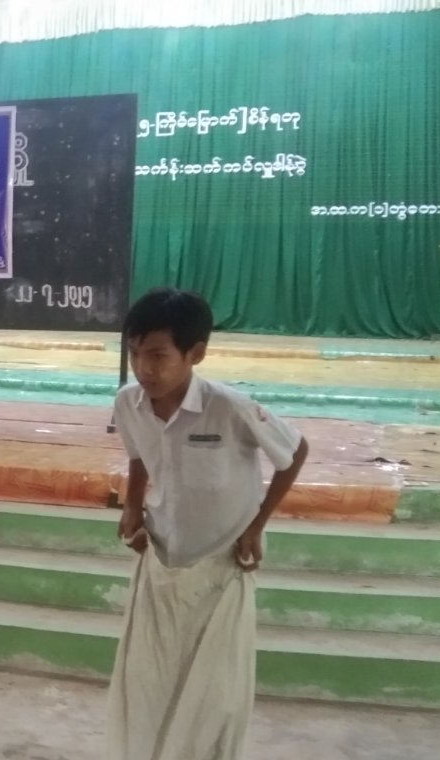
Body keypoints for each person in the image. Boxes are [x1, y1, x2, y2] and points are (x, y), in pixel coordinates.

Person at [107, 287, 309, 760]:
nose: (143, 369)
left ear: (195, 354)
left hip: (222, 566)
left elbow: (295, 451)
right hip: (160, 560)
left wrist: (256, 526)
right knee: (149, 682)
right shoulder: (128, 403)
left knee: (216, 697)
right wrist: (133, 505)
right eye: (134, 354)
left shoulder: (230, 407)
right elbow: (138, 453)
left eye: (158, 356)